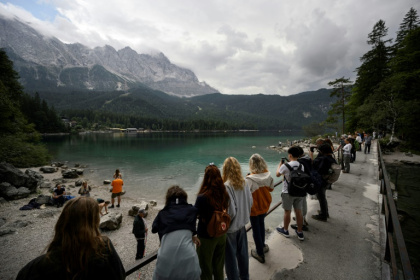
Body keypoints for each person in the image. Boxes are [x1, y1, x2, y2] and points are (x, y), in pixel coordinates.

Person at [16, 197, 125, 280]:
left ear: (62, 222)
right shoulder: (104, 248)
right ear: (93, 223)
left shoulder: (36, 267)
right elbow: (120, 275)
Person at [152, 185, 201, 280]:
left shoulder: (162, 214)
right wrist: (191, 237)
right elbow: (184, 226)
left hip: (165, 261)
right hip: (189, 261)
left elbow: (154, 229)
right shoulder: (192, 211)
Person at [194, 164, 230, 280]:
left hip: (206, 237)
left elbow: (194, 215)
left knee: (205, 268)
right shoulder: (224, 193)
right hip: (221, 234)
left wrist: (193, 234)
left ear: (205, 178)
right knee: (219, 267)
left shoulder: (202, 197)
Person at [222, 157, 253, 279]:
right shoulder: (244, 182)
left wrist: (225, 226)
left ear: (225, 169)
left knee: (230, 260)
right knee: (243, 255)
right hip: (242, 226)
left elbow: (231, 211)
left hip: (231, 229)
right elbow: (251, 202)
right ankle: (245, 277)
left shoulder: (226, 186)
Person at [246, 154, 274, 263]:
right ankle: (262, 246)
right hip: (265, 206)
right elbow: (271, 189)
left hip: (254, 209)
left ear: (251, 164)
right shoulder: (268, 175)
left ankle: (260, 253)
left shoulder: (249, 179)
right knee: (261, 224)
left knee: (255, 229)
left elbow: (246, 195)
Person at [276, 147, 305, 241]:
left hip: (287, 192)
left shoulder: (286, 166)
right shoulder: (301, 165)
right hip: (299, 191)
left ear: (290, 155)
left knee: (287, 211)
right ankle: (300, 232)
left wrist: (280, 165)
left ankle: (285, 230)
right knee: (298, 211)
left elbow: (277, 174)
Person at [310, 143, 337, 221]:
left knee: (321, 197)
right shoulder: (331, 158)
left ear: (322, 151)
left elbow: (314, 166)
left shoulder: (323, 159)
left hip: (321, 181)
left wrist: (311, 155)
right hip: (327, 180)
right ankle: (324, 212)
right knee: (322, 197)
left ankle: (323, 215)